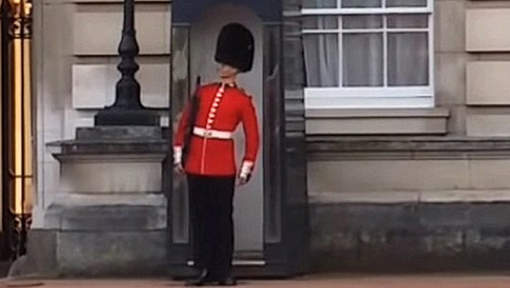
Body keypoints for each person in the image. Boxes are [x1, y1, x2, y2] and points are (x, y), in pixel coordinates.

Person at [173, 23, 260, 286]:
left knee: (222, 220)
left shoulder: (242, 100)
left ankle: (222, 269)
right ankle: (202, 268)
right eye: (222, 61)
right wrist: (179, 155)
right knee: (200, 219)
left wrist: (246, 167)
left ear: (238, 65)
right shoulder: (204, 92)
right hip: (196, 163)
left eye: (228, 62)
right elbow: (185, 124)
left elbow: (253, 137)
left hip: (222, 165)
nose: (222, 66)